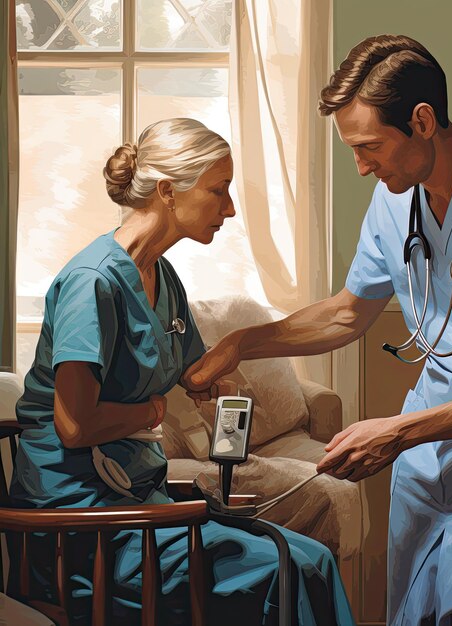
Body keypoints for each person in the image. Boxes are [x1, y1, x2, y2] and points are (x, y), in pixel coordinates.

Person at [184, 35, 452, 626]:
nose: (361, 166)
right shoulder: (395, 202)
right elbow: (345, 313)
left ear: (423, 120)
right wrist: (239, 344)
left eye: (370, 147)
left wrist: (399, 432)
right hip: (429, 463)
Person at [10, 117, 355, 626]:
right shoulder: (91, 283)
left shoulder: (161, 275)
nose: (230, 207)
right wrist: (150, 411)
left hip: (139, 504)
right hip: (88, 528)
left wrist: (216, 375)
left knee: (312, 561)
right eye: (219, 191)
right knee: (290, 568)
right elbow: (74, 426)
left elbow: (189, 368)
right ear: (168, 191)